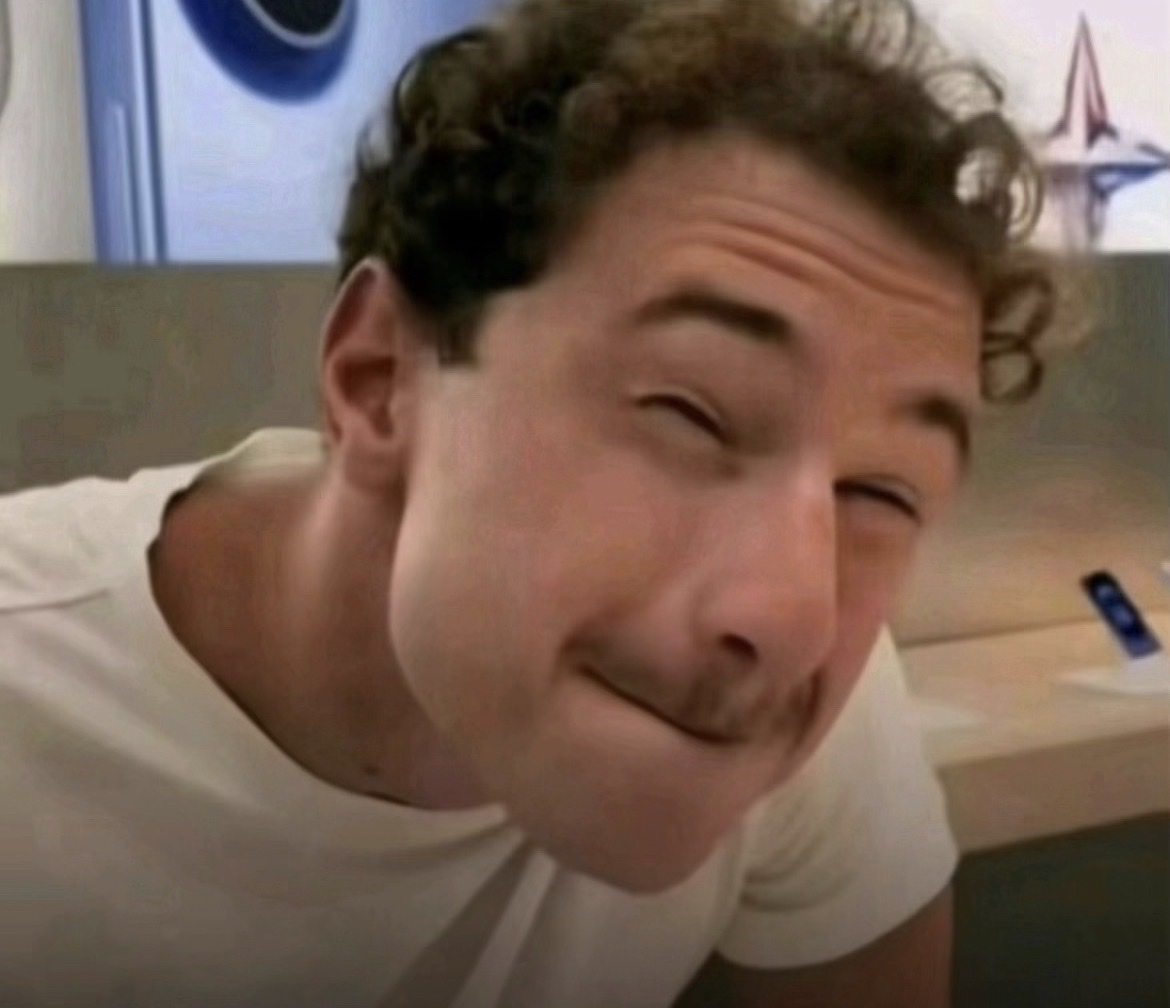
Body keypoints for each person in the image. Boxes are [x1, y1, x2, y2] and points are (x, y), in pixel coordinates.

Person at [0, 0, 1076, 1005]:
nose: (793, 619)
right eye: (690, 413)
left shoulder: (809, 700)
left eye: (880, 491)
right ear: (379, 379)